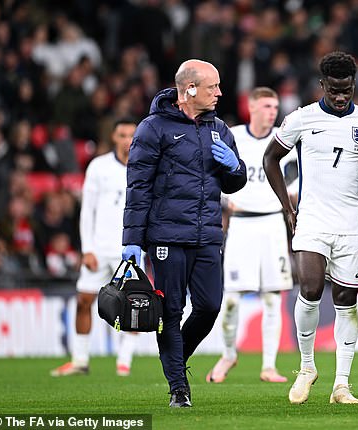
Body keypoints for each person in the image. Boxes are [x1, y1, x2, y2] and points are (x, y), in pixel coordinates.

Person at [263, 51, 358, 405]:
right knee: (310, 286)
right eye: (334, 89)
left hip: (350, 223)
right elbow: (270, 158)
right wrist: (287, 207)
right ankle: (306, 367)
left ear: (354, 85)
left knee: (346, 300)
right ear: (322, 85)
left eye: (346, 89)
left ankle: (341, 385)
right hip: (312, 219)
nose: (340, 96)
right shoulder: (301, 119)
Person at [121, 59, 247, 408]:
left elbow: (235, 183)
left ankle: (173, 356)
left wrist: (235, 167)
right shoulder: (153, 128)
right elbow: (138, 188)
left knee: (208, 306)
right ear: (189, 89)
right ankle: (179, 387)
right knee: (170, 312)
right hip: (166, 237)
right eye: (213, 87)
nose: (220, 93)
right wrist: (131, 240)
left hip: (207, 234)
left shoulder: (219, 128)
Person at [206, 87, 297, 384]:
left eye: (275, 106)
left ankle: (268, 366)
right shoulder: (232, 136)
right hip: (241, 224)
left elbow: (294, 183)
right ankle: (228, 354)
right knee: (231, 299)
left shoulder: (284, 142)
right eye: (267, 106)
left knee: (272, 298)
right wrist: (222, 200)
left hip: (272, 224)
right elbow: (212, 173)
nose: (273, 111)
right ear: (252, 107)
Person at [51, 118, 139, 377]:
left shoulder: (145, 166)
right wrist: (87, 248)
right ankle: (80, 361)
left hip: (130, 249)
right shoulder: (98, 167)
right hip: (99, 248)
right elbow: (87, 210)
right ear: (113, 137)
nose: (127, 140)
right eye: (122, 135)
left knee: (133, 306)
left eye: (132, 135)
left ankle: (124, 363)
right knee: (83, 300)